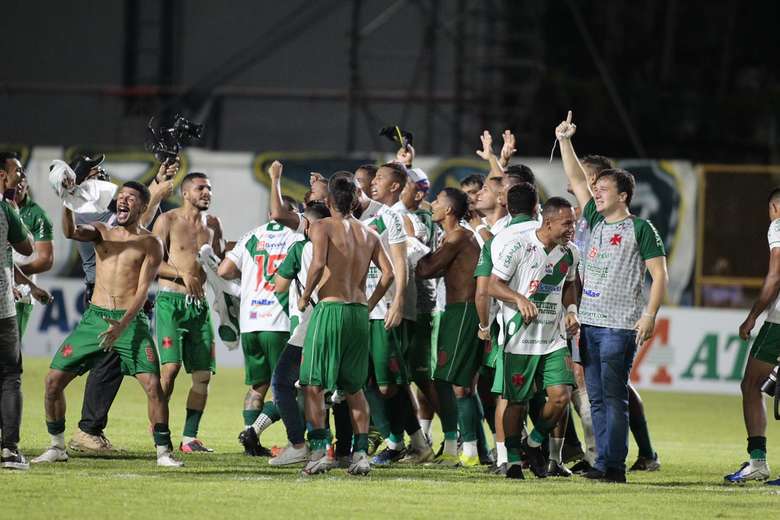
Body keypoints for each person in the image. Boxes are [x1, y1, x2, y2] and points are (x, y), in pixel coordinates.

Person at [32, 182, 182, 467]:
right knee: (52, 382)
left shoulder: (151, 242)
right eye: (121, 197)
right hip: (94, 319)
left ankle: (163, 452)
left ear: (141, 206)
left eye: (131, 198)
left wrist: (121, 326)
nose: (123, 201)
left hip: (130, 322)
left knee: (153, 386)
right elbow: (70, 231)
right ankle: (57, 446)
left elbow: (142, 292)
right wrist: (68, 202)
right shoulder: (101, 230)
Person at [557, 111, 667, 483]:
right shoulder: (596, 220)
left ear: (622, 196)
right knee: (598, 399)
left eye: (602, 190)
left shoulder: (641, 228)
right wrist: (565, 140)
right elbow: (575, 177)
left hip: (620, 326)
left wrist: (649, 315)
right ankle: (602, 462)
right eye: (595, 190)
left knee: (615, 398)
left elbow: (660, 274)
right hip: (589, 324)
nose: (593, 194)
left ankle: (614, 467)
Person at [66, 154, 175, 453]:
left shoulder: (106, 210)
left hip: (122, 298)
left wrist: (157, 180)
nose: (103, 178)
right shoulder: (88, 214)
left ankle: (90, 429)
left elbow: (137, 219)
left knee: (110, 365)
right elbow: (132, 224)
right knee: (106, 363)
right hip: (105, 298)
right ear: (79, 182)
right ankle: (87, 429)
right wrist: (155, 191)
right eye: (94, 173)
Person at [297, 174, 395, 475]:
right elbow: (389, 274)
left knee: (312, 384)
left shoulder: (322, 226)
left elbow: (317, 264)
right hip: (358, 313)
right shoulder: (369, 233)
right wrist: (369, 304)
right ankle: (361, 454)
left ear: (328, 202)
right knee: (354, 387)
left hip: (331, 309)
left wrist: (304, 296)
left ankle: (319, 451)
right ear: (354, 201)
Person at [489, 193, 580, 480]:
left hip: (553, 338)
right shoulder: (519, 246)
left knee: (561, 396)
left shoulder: (570, 252)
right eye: (566, 224)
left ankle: (534, 442)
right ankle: (513, 461)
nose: (571, 229)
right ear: (548, 221)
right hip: (520, 337)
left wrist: (572, 310)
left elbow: (569, 285)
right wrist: (518, 299)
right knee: (516, 402)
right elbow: (493, 285)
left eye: (574, 224)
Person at [217, 163, 302, 456]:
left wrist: (251, 278)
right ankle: (254, 432)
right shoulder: (297, 236)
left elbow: (225, 270)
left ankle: (250, 443)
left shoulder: (252, 236)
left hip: (250, 321)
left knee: (257, 385)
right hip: (279, 322)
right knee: (291, 386)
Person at [153, 171, 223, 453]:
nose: (207, 193)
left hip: (199, 306)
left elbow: (218, 264)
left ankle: (189, 438)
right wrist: (183, 273)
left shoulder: (214, 224)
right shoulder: (167, 220)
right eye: (200, 188)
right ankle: (158, 426)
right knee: (170, 369)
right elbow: (151, 263)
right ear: (185, 193)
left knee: (203, 375)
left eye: (209, 188)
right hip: (171, 302)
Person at [416, 188, 481, 466]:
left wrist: (412, 249)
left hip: (465, 311)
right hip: (454, 310)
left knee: (459, 384)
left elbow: (426, 270)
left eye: (438, 202)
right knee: (450, 380)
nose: (432, 205)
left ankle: (470, 451)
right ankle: (460, 448)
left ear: (450, 210)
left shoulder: (458, 237)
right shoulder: (452, 236)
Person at [269, 201, 331, 466]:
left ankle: (298, 444)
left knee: (285, 382)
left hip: (315, 319)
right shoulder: (352, 241)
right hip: (354, 317)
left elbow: (279, 287)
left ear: (307, 224)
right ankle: (351, 450)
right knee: (348, 389)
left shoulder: (301, 248)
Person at [727, 188, 780, 485]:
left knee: (751, 384)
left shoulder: (778, 225)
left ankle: (758, 461)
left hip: (779, 322)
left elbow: (775, 275)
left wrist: (752, 316)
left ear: (774, 207)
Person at [0, 152, 33, 470]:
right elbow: (27, 248)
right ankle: (9, 450)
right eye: (16, 171)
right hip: (2, 310)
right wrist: (12, 208)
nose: (20, 177)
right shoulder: (5, 209)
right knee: (10, 377)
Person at [13, 172, 54, 338]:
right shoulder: (4, 210)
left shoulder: (37, 215)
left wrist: (13, 275)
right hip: (6, 285)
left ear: (27, 186)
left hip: (21, 292)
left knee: (9, 354)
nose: (17, 185)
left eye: (21, 182)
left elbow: (46, 260)